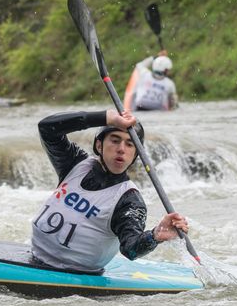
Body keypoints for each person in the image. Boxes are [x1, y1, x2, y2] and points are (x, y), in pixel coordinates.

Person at [31, 109, 189, 273]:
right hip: (36, 257)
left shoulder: (129, 200)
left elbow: (131, 248)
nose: (121, 149)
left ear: (136, 154)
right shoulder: (74, 163)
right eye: (115, 140)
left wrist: (155, 235)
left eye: (129, 144)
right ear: (99, 145)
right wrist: (105, 117)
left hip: (76, 273)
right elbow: (47, 128)